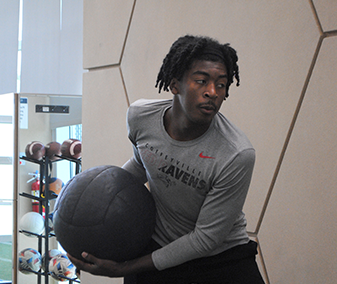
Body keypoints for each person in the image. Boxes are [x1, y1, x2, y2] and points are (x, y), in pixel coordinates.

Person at [68, 35, 265, 284]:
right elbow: (142, 164)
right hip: (159, 244)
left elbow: (205, 238)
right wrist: (88, 209)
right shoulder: (141, 116)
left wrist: (125, 268)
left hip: (221, 259)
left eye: (222, 85)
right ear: (175, 85)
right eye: (202, 81)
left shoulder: (235, 154)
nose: (212, 92)